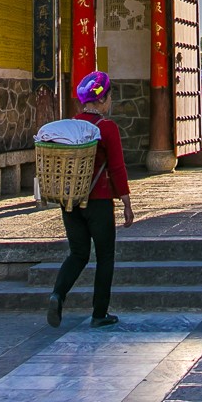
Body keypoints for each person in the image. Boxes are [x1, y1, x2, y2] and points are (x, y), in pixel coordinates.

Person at [46, 71, 133, 330]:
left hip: (70, 201)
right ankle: (99, 314)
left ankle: (57, 295)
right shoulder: (106, 127)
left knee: (78, 253)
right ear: (103, 99)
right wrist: (127, 203)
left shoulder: (70, 126)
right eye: (109, 97)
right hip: (99, 201)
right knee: (105, 256)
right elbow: (116, 168)